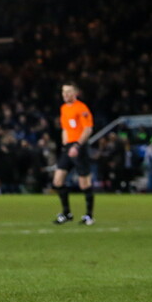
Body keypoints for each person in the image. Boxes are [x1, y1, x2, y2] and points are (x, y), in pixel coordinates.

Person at [53, 83, 95, 225]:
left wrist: (77, 146)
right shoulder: (64, 108)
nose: (65, 94)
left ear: (75, 93)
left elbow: (88, 129)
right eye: (64, 92)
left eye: (69, 92)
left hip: (79, 146)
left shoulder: (82, 108)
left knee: (84, 183)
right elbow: (65, 128)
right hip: (68, 147)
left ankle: (89, 216)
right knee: (57, 181)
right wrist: (65, 145)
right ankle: (66, 213)